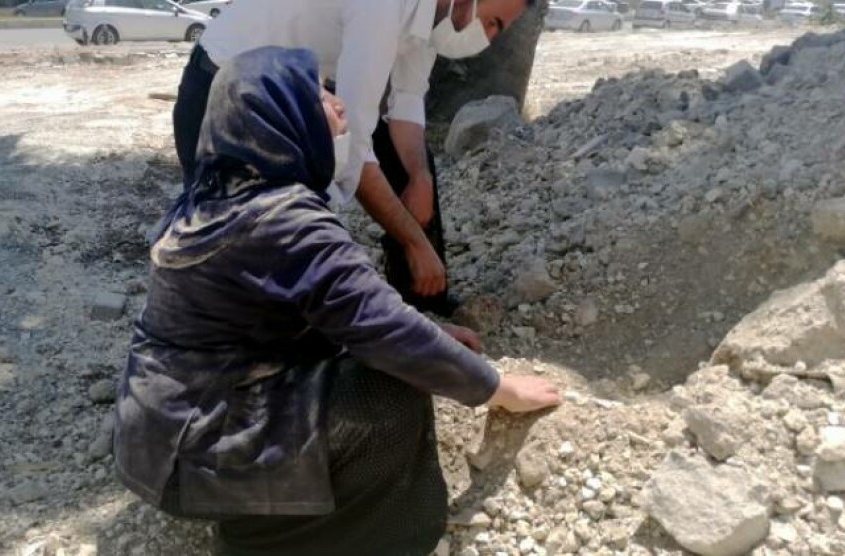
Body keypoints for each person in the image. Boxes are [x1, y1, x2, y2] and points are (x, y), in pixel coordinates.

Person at [117, 47, 561, 556]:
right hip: (194, 455)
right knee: (390, 392)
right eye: (319, 95)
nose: (339, 104)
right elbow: (386, 331)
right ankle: (278, 542)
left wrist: (431, 333)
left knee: (350, 358)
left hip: (153, 447)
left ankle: (258, 513)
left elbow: (346, 309)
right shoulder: (283, 219)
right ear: (280, 116)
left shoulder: (210, 202)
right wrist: (497, 388)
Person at [173, 0, 534, 317]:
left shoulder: (431, 18)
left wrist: (418, 176)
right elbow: (353, 150)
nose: (488, 37)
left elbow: (407, 101)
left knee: (409, 159)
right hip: (221, 88)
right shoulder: (382, 8)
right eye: (492, 22)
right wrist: (414, 240)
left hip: (285, 89)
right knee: (239, 241)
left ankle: (421, 302)